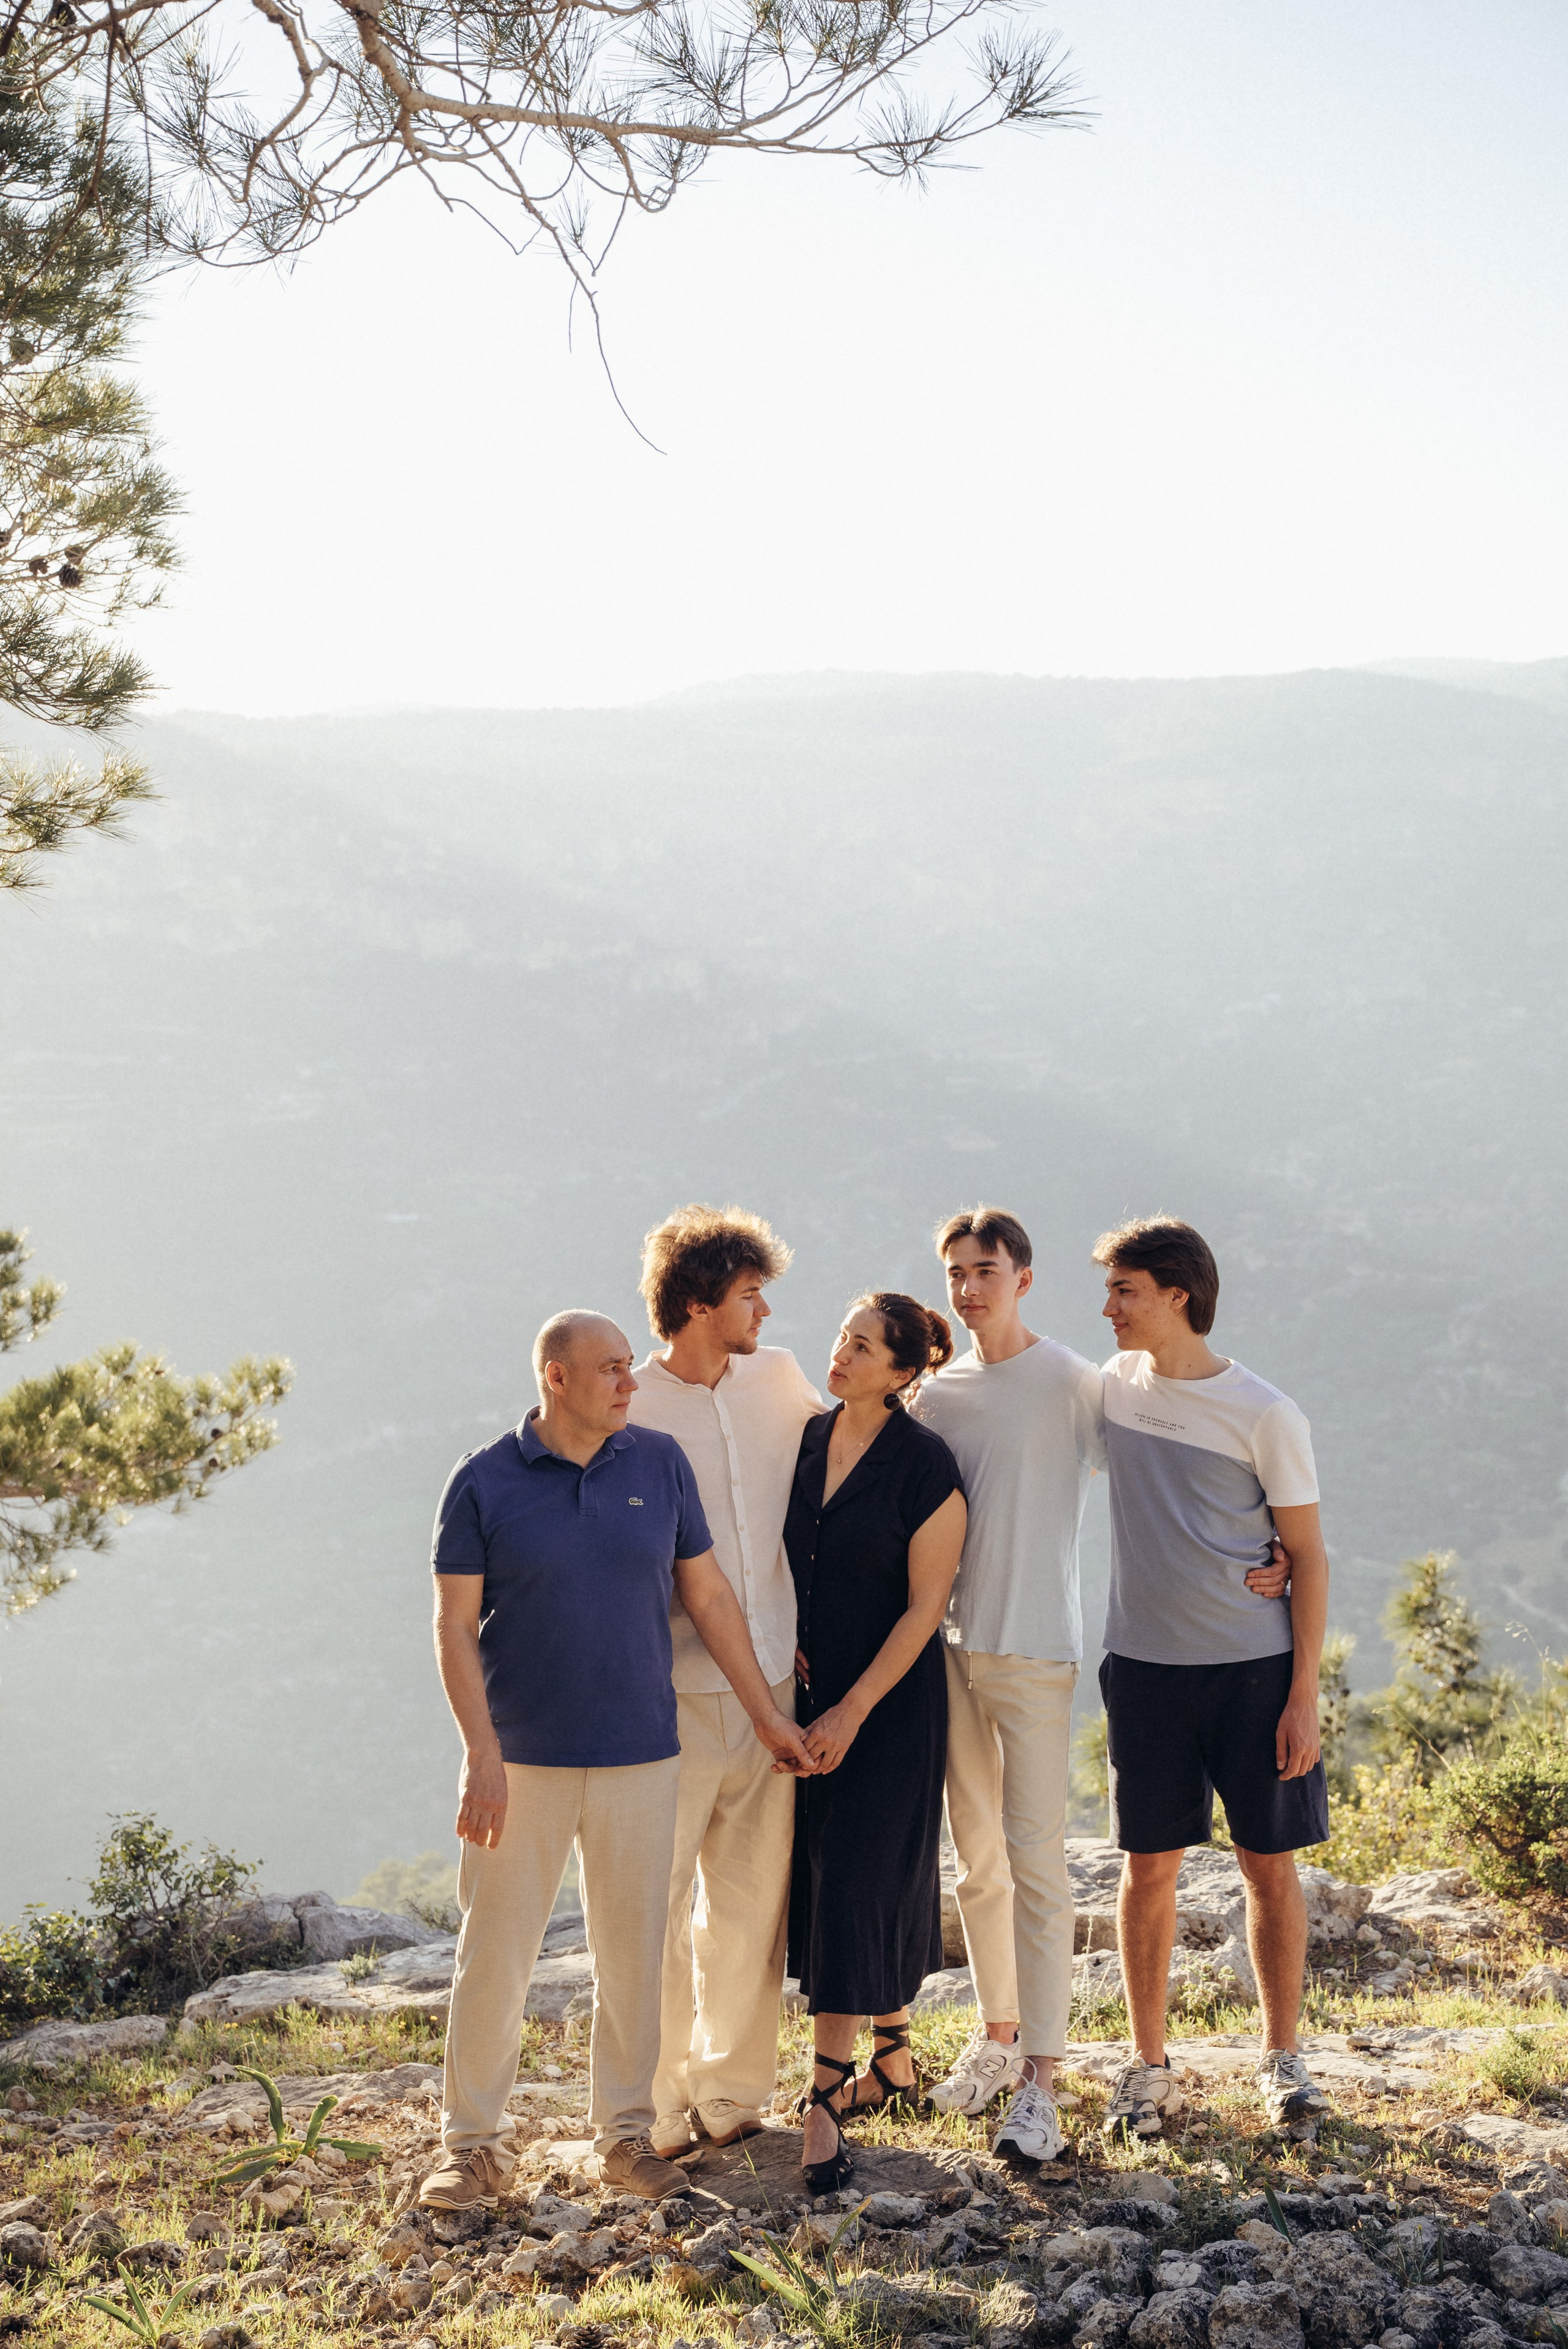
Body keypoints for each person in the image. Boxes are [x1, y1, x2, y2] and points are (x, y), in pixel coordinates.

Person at [913, 1205, 1292, 2168]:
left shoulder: (1084, 1384)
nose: (968, 1288)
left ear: (1022, 1279)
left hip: (1040, 1651)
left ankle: (1045, 2080)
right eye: (955, 1271)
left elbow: (1189, 1454)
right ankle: (999, 2039)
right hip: (947, 1650)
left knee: (1038, 1867)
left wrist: (1280, 1552)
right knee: (977, 1866)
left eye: (985, 1270)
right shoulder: (935, 1393)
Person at [419, 1308, 814, 2212]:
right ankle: (473, 2148)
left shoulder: (659, 1464)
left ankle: (627, 2137)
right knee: (496, 1955)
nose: (630, 1383)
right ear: (556, 1377)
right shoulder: (484, 1481)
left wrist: (765, 1718)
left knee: (636, 1953)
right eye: (610, 1369)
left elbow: (708, 1597)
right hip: (521, 1761)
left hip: (643, 1751)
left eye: (630, 1366)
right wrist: (479, 1753)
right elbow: (451, 1624)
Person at [1092, 1217, 1332, 2140]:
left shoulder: (1266, 1413)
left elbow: (1307, 1556)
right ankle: (1148, 2066)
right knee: (1146, 1867)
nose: (1109, 1309)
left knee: (1267, 1867)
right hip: (1146, 1671)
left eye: (1124, 1292)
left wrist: (1302, 1695)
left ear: (1176, 1296)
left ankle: (1282, 2061)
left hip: (1254, 1674)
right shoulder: (1113, 1387)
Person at [627, 1205, 823, 2156]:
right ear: (701, 1302)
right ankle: (654, 2104)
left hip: (775, 1680)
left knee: (751, 1898)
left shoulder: (780, 1380)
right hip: (660, 1690)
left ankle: (733, 2093)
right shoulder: (630, 1402)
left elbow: (859, 1462)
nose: (766, 1314)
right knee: (655, 1903)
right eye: (751, 1295)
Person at [785, 1293, 967, 2193]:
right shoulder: (812, 1440)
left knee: (858, 1877)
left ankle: (821, 2099)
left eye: (862, 1347)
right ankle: (892, 2058)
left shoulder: (926, 1467)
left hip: (887, 1707)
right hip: (810, 1697)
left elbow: (925, 1610)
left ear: (903, 1373)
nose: (841, 1354)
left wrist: (851, 1711)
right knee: (832, 1873)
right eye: (841, 1337)